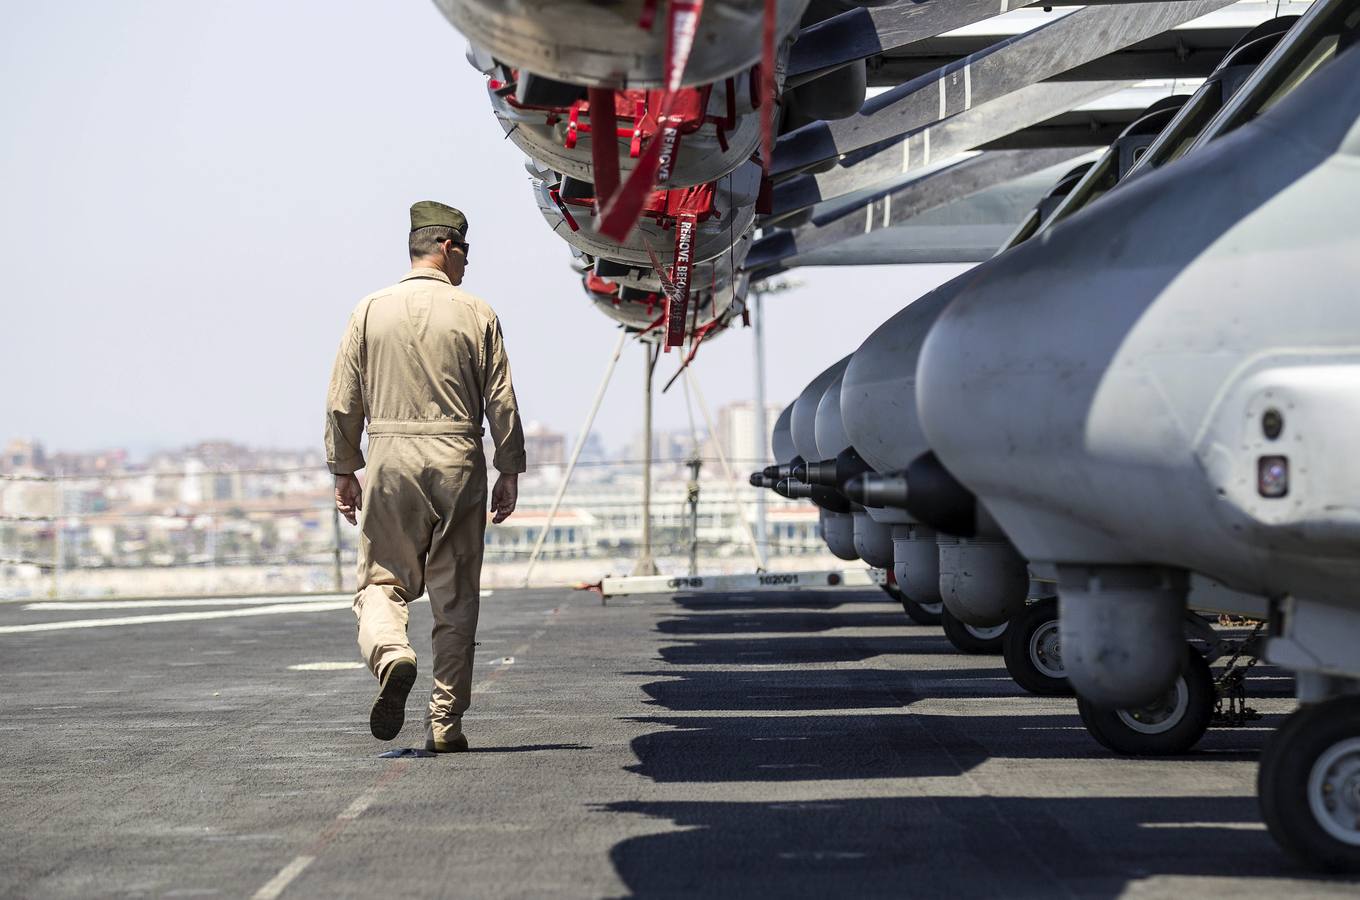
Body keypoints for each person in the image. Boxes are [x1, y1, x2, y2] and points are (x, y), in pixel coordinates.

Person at [325, 200, 525, 752]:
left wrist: (345, 469)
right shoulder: (477, 312)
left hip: (390, 456)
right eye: (465, 252)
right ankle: (445, 723)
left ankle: (391, 654)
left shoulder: (369, 310)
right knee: (456, 598)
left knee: (380, 583)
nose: (467, 265)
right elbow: (501, 401)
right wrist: (509, 468)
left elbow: (343, 400)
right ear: (447, 247)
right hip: (458, 456)